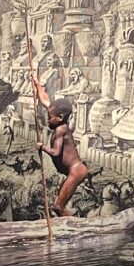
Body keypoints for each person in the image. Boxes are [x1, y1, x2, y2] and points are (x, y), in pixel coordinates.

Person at [32, 76, 89, 217]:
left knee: (58, 207)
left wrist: (42, 147)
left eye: (49, 118)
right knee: (58, 206)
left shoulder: (61, 130)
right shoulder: (57, 116)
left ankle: (76, 226)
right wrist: (38, 86)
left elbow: (56, 152)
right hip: (74, 170)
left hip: (76, 171)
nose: (47, 120)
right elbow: (46, 101)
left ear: (60, 117)